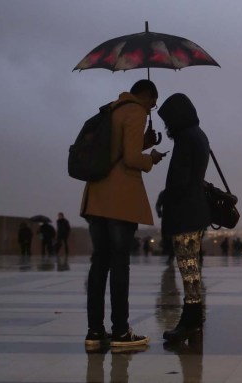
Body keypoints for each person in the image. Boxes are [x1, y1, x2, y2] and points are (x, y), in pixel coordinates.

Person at [81, 79, 166, 348]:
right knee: (120, 264)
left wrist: (141, 142)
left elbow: (116, 149)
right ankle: (120, 331)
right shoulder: (136, 111)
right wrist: (150, 158)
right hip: (119, 200)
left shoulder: (112, 108)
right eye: (153, 102)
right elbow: (130, 159)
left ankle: (94, 332)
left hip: (96, 196)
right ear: (147, 95)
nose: (152, 108)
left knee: (99, 264)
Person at [157, 93, 211, 343]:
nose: (167, 126)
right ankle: (193, 318)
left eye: (168, 120)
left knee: (188, 269)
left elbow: (180, 181)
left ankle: (190, 321)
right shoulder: (199, 135)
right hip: (196, 211)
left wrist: (165, 196)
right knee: (191, 271)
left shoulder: (185, 139)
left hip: (185, 214)